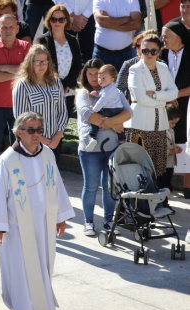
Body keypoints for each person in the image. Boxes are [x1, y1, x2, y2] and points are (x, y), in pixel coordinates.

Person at [0, 111, 75, 310]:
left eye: (39, 130)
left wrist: (60, 215)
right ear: (18, 132)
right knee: (22, 271)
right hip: (16, 228)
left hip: (44, 224)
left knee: (41, 268)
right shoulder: (7, 161)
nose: (37, 135)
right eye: (31, 130)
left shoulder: (47, 154)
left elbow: (56, 186)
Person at [76, 58, 132, 236]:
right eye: (90, 74)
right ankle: (89, 221)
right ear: (85, 75)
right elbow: (88, 115)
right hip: (89, 149)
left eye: (98, 74)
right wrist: (114, 124)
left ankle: (109, 220)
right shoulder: (83, 94)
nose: (95, 77)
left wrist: (112, 124)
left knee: (110, 187)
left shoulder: (114, 91)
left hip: (112, 147)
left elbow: (128, 112)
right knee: (91, 186)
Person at [0, 13, 30, 195]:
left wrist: (1, 68)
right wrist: (17, 72)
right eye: (4, 27)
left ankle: (15, 180)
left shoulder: (26, 47)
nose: (8, 30)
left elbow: (29, 72)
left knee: (18, 145)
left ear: (17, 29)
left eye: (11, 27)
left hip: (20, 104)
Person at [126, 33, 178, 187]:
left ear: (159, 52)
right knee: (139, 168)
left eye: (153, 51)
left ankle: (159, 201)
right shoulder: (135, 69)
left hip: (160, 124)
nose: (148, 54)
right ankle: (137, 204)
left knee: (160, 167)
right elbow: (140, 98)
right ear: (140, 51)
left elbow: (174, 92)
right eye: (145, 50)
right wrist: (163, 99)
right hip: (140, 126)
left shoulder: (162, 67)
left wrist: (155, 95)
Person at [12, 44, 68, 164]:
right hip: (32, 142)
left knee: (50, 179)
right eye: (38, 62)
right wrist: (42, 139)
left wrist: (57, 137)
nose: (42, 65)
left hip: (54, 141)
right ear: (30, 63)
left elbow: (62, 110)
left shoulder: (56, 82)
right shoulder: (22, 85)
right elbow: (20, 118)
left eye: (44, 61)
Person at [161, 20, 190, 198]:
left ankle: (188, 186)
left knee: (185, 141)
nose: (162, 39)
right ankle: (165, 183)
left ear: (178, 38)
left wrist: (176, 95)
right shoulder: (162, 54)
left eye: (166, 36)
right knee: (166, 141)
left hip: (186, 104)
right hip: (164, 104)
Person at [37, 5, 82, 120]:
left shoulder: (72, 40)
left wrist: (66, 84)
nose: (57, 22)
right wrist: (57, 85)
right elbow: (40, 65)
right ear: (49, 21)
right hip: (47, 89)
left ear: (66, 21)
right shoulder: (42, 40)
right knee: (47, 123)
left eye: (61, 19)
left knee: (63, 124)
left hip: (68, 90)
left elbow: (77, 65)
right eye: (54, 19)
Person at [92, 0, 141, 72]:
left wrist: (110, 23)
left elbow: (136, 24)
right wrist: (127, 18)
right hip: (102, 54)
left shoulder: (132, 1)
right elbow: (103, 22)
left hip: (125, 54)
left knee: (125, 83)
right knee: (99, 82)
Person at [86, 64, 126, 151]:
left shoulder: (109, 91)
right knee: (118, 123)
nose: (100, 80)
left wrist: (94, 109)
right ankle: (122, 138)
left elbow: (102, 101)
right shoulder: (109, 87)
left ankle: (92, 136)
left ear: (112, 79)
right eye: (99, 77)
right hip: (117, 110)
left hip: (111, 110)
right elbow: (102, 93)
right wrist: (97, 93)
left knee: (97, 117)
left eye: (103, 78)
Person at [117, 30, 159, 102]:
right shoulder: (129, 64)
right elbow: (119, 89)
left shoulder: (161, 65)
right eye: (137, 46)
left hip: (157, 102)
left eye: (142, 46)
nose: (139, 49)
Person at [59, 0, 96, 64]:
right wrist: (71, 15)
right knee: (63, 55)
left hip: (88, 17)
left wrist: (85, 15)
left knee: (88, 58)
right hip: (64, 16)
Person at [161, 104, 182, 190]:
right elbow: (159, 148)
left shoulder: (171, 131)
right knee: (162, 184)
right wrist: (170, 151)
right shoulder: (159, 131)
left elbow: (172, 143)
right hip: (162, 164)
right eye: (172, 123)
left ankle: (165, 201)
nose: (174, 125)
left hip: (170, 164)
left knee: (167, 183)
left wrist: (177, 147)